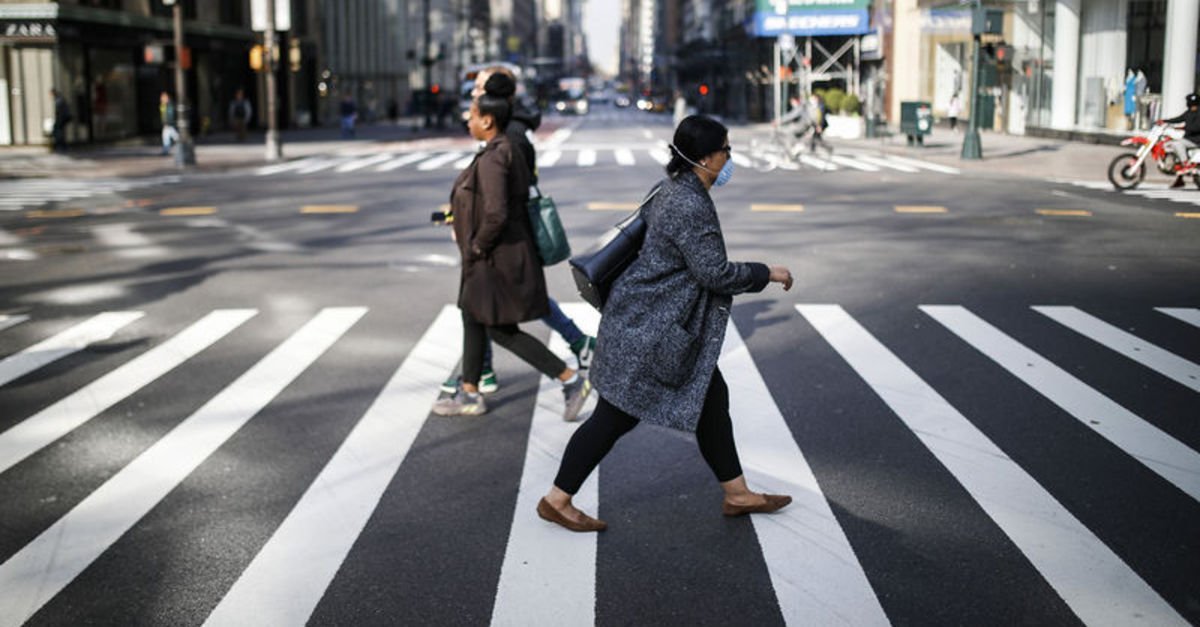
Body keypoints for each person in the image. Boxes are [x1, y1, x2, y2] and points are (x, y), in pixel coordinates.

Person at [536, 115, 796, 532]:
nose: (729, 157)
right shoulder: (689, 203)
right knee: (613, 417)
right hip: (651, 331)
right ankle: (557, 499)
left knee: (712, 398)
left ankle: (737, 492)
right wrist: (768, 272)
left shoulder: (672, 189)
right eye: (726, 150)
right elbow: (714, 273)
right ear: (706, 158)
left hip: (646, 321)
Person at [433, 91, 591, 421]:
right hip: (497, 259)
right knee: (473, 317)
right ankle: (471, 391)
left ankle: (570, 380)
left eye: (472, 114)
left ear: (487, 120)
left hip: (493, 261)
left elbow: (496, 213)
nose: (468, 119)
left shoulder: (494, 158)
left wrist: (477, 247)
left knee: (499, 329)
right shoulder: (503, 149)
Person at [1156, 93, 1200, 189]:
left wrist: (1184, 128)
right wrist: (1165, 121)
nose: (1193, 106)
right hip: (1188, 139)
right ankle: (1179, 179)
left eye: (1194, 104)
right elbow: (1178, 119)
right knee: (1169, 145)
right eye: (1191, 104)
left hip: (1196, 141)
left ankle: (1185, 164)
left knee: (1178, 144)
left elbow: (1196, 127)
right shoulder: (1188, 112)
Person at [50, 88, 70, 152]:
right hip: (62, 119)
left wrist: (59, 120)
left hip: (61, 119)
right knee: (60, 132)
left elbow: (60, 111)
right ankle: (62, 146)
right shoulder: (60, 99)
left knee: (58, 132)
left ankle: (60, 146)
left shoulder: (59, 100)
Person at [159, 91, 179, 156]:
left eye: (163, 97)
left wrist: (168, 122)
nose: (161, 99)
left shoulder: (169, 105)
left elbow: (170, 115)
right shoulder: (164, 105)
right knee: (168, 136)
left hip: (169, 124)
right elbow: (163, 114)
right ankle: (166, 150)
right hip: (167, 124)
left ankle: (166, 150)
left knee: (173, 136)